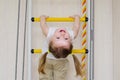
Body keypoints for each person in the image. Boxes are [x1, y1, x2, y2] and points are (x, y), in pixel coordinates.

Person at [38, 15, 82, 80]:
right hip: (59, 62)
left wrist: (42, 18)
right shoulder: (71, 34)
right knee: (60, 77)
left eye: (58, 38)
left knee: (45, 76)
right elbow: (76, 27)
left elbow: (43, 26)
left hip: (47, 60)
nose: (62, 35)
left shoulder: (50, 33)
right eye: (66, 38)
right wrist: (77, 18)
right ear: (71, 41)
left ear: (51, 41)